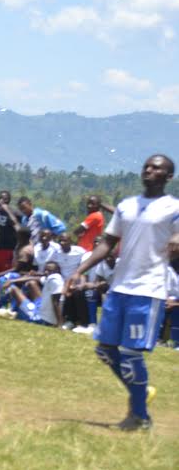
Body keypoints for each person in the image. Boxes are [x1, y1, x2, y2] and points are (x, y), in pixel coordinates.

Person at [65, 154, 178, 431]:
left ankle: (139, 416)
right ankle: (141, 392)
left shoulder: (173, 208)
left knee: (130, 354)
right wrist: (79, 270)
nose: (150, 171)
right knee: (105, 350)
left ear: (168, 177)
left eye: (157, 168)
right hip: (119, 287)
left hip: (148, 289)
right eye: (147, 166)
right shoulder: (126, 206)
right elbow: (106, 244)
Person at [53, 233, 88, 330]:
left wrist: (74, 282)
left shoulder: (80, 251)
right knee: (60, 293)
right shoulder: (56, 253)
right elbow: (56, 267)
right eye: (60, 241)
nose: (62, 243)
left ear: (71, 242)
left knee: (75, 292)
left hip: (76, 279)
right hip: (61, 280)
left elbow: (84, 267)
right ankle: (65, 320)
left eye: (65, 240)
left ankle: (81, 322)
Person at [0, 190, 21, 275]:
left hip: (9, 249)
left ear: (9, 200)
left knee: (4, 274)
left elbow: (18, 227)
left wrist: (7, 210)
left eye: (5, 199)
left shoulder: (15, 212)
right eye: (0, 198)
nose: (2, 201)